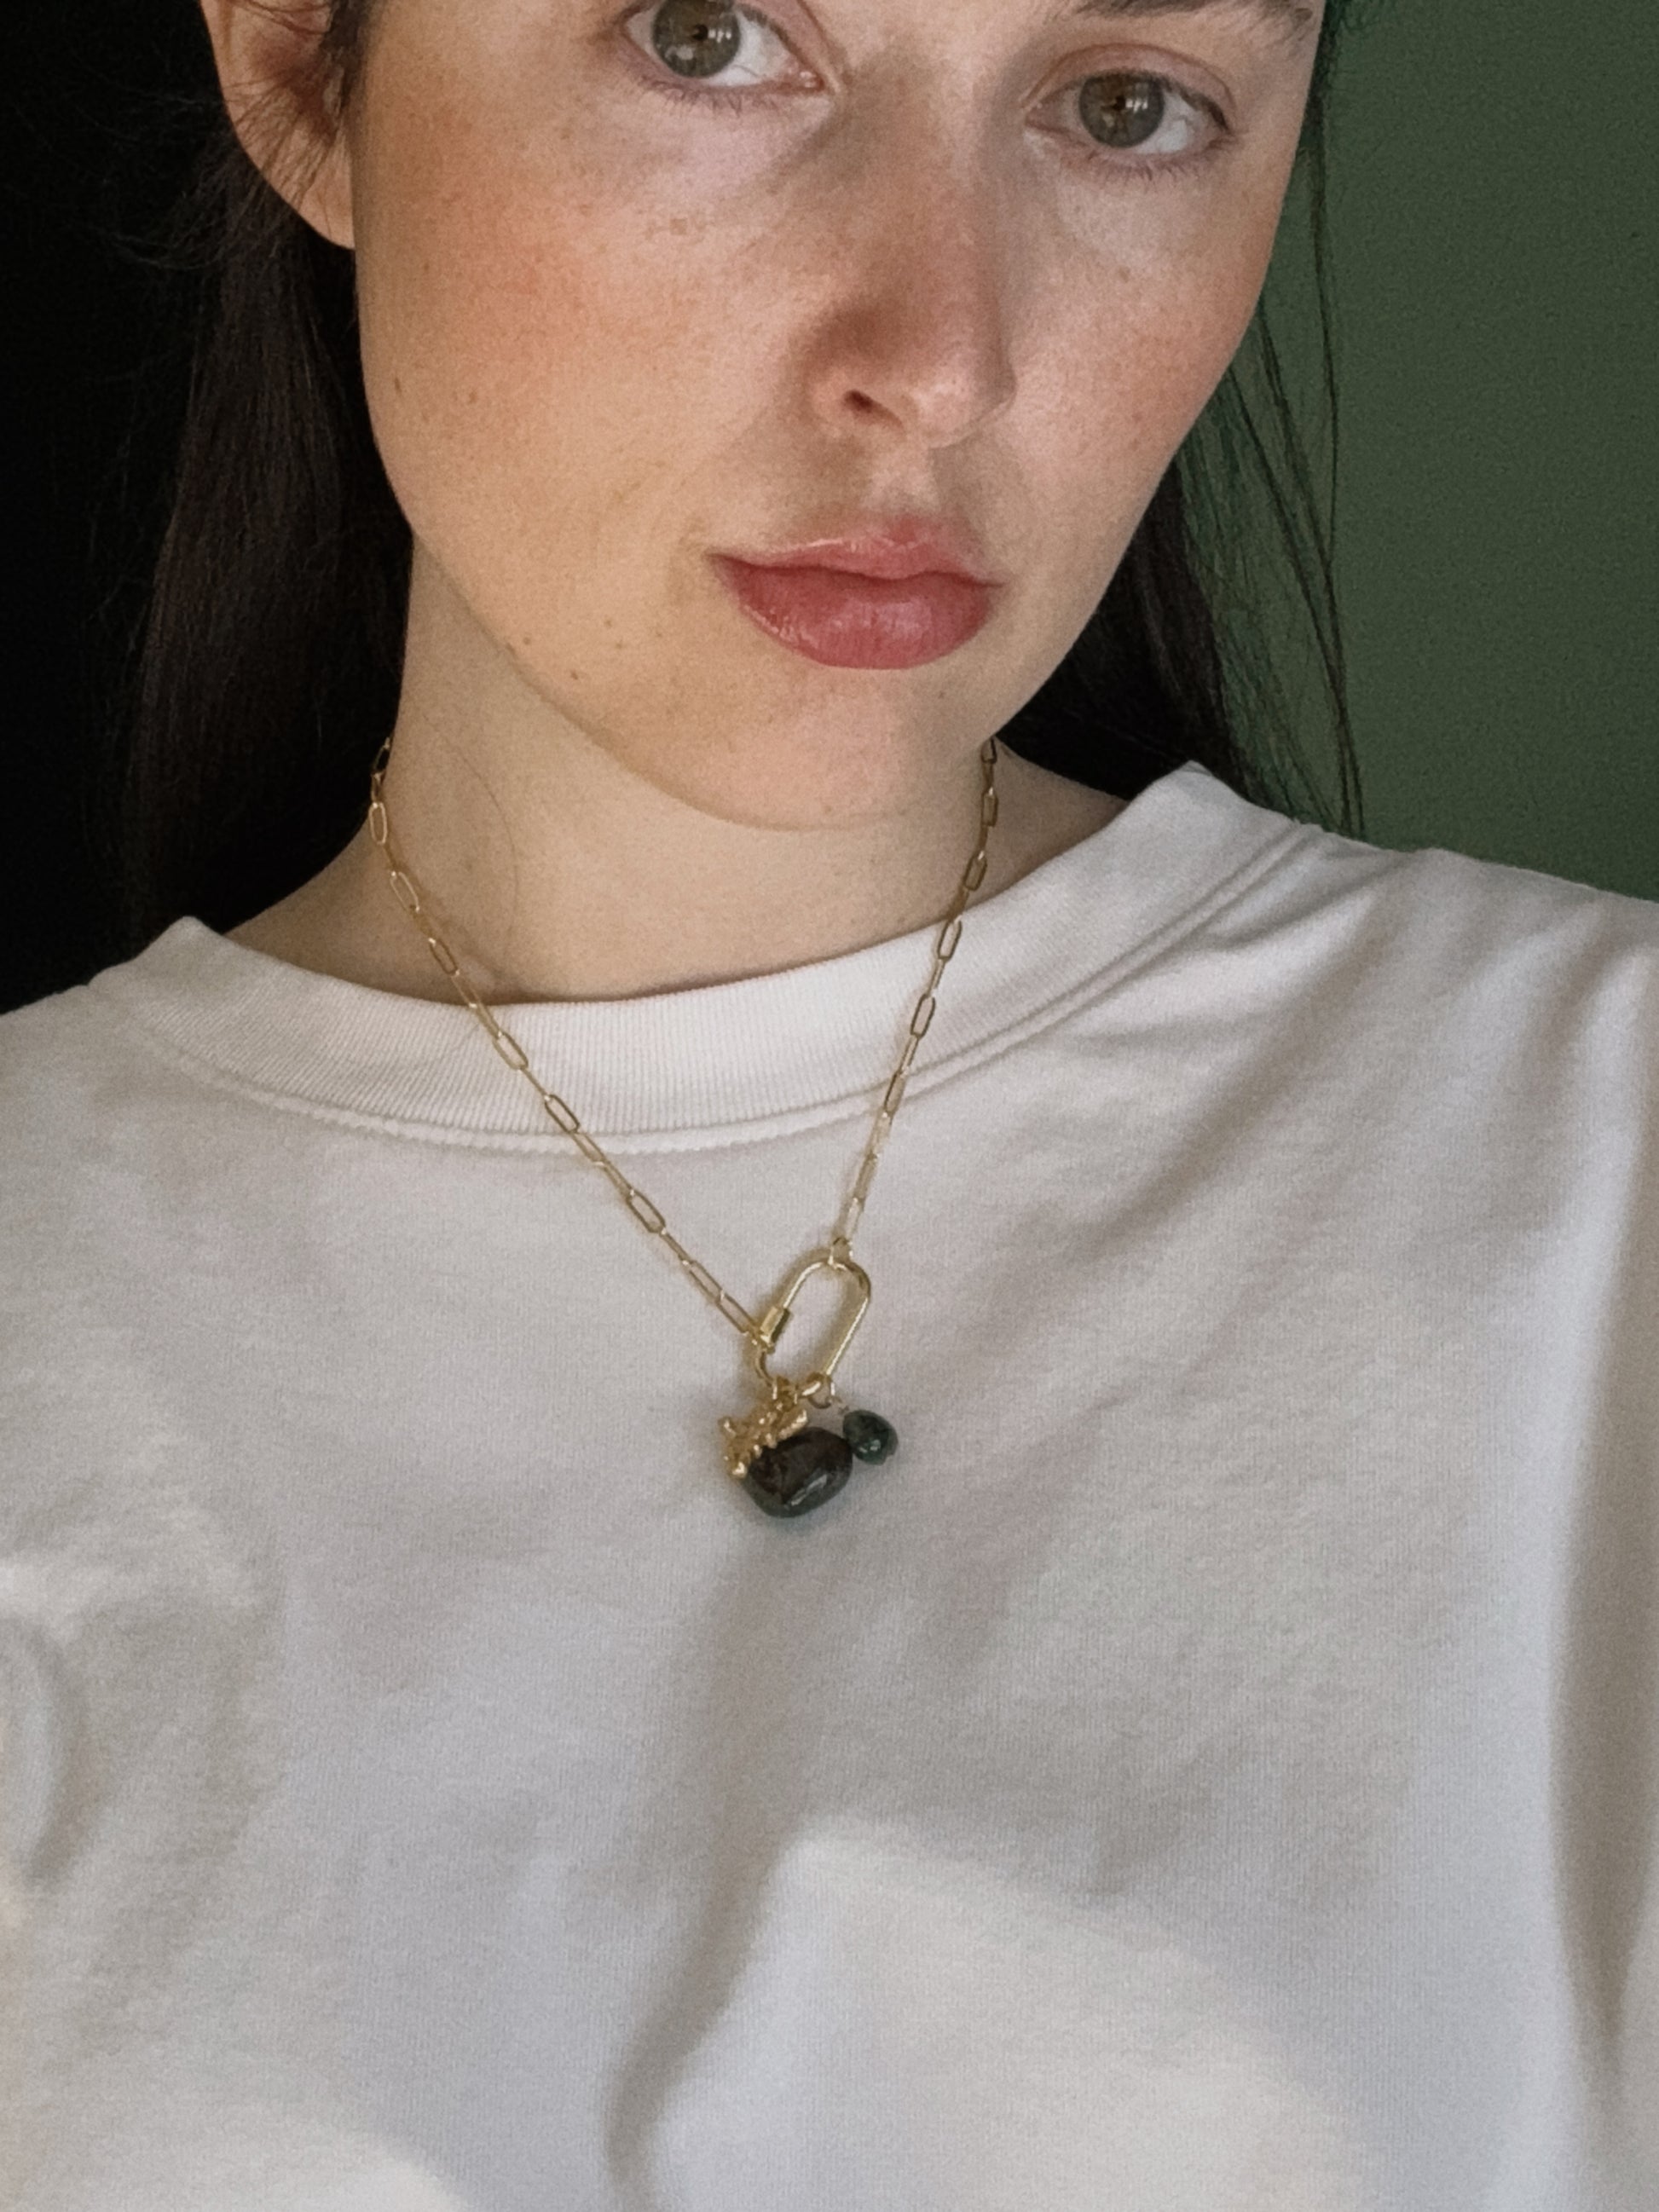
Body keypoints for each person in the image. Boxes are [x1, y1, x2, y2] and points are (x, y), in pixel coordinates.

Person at [1, 0, 1653, 2204]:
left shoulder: (1604, 1179)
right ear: (302, 53)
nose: (939, 356)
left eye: (1127, 106)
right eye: (708, 39)